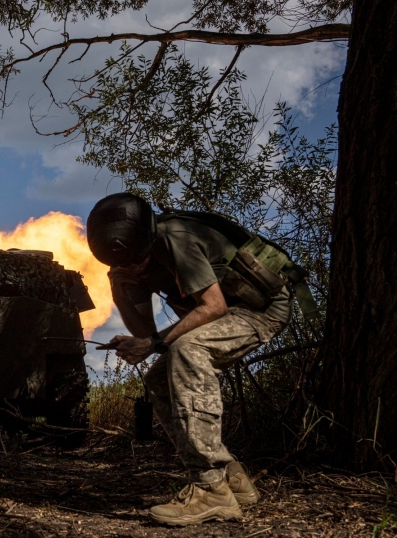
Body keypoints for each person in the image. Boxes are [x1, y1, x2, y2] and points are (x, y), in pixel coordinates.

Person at [86, 193, 292, 527]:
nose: (132, 267)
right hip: (226, 311)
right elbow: (144, 332)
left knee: (188, 349)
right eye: (123, 264)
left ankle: (210, 489)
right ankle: (232, 477)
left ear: (148, 240)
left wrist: (153, 342)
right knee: (157, 377)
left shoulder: (176, 238)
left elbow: (214, 307)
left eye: (136, 261)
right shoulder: (125, 263)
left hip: (260, 309)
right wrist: (122, 291)